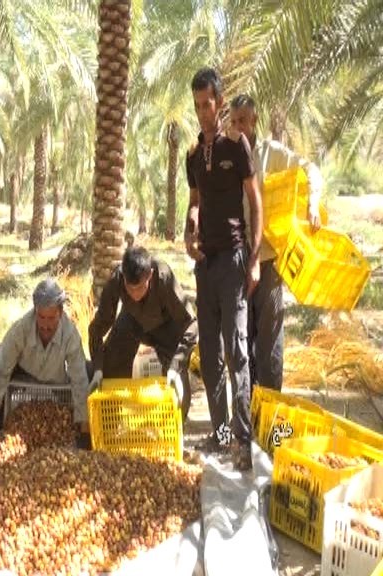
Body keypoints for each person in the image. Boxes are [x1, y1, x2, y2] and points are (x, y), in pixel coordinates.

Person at [184, 67, 262, 471]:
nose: (202, 112)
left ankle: (243, 444)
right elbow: (195, 201)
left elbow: (256, 202)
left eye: (207, 103)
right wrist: (188, 231)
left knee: (237, 352)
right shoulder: (193, 155)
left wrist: (254, 260)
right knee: (210, 353)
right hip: (205, 265)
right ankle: (221, 434)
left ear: (219, 100)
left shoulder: (238, 147)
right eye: (197, 105)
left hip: (233, 260)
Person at [230, 94, 323, 393]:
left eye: (243, 120)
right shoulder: (227, 156)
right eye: (233, 122)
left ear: (255, 120)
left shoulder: (272, 154)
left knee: (269, 338)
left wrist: (313, 203)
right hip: (238, 259)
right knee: (243, 334)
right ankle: (247, 409)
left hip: (269, 259)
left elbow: (311, 169)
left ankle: (271, 411)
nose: (238, 127)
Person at [88, 246, 198, 419]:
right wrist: (98, 368)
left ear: (150, 275)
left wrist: (176, 366)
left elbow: (190, 324)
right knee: (112, 359)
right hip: (133, 321)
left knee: (175, 383)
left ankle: (177, 424)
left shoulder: (163, 277)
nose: (134, 294)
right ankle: (113, 420)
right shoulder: (117, 279)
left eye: (139, 287)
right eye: (129, 288)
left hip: (167, 327)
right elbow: (98, 327)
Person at [0, 278, 94, 449]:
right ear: (35, 311)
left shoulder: (70, 333)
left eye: (52, 318)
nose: (46, 325)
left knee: (90, 370)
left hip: (56, 383)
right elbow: (0, 370)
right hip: (25, 375)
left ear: (61, 312)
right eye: (41, 317)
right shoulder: (21, 329)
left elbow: (79, 380)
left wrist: (83, 426)